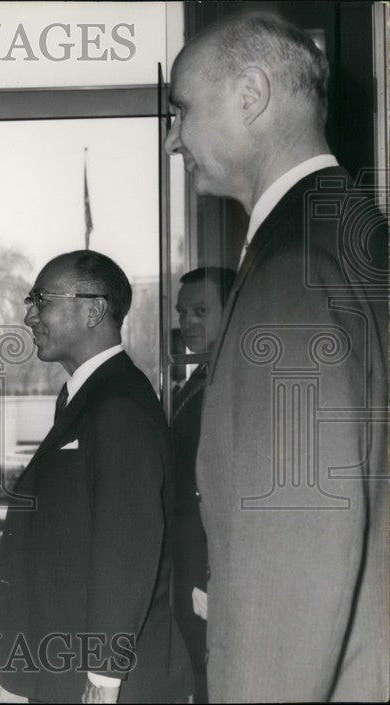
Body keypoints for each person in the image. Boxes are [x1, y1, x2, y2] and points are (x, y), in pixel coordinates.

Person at [165, 12, 388, 701]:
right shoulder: (358, 234)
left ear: (251, 95)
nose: (175, 140)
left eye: (181, 111)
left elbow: (292, 558)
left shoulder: (290, 276)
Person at [0, 250, 191, 704]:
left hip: (101, 676)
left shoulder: (117, 405)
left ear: (94, 309)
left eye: (40, 300)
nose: (28, 316)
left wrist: (103, 674)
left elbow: (127, 548)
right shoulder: (90, 396)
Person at [168, 266, 235, 703]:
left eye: (201, 310)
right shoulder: (198, 378)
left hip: (211, 568)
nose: (187, 321)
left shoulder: (233, 382)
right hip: (189, 561)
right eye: (182, 311)